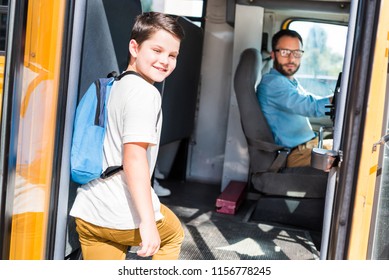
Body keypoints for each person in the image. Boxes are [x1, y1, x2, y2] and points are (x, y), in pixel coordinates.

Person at [70, 12, 185, 260]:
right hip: (121, 214)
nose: (165, 61)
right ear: (134, 47)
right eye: (157, 50)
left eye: (172, 55)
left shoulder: (115, 84)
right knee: (172, 235)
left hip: (89, 211)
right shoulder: (145, 93)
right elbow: (134, 157)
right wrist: (147, 222)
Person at [257, 29, 333, 168]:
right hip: (296, 154)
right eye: (285, 52)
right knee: (351, 156)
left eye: (296, 53)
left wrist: (332, 99)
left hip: (307, 146)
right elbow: (310, 106)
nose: (292, 59)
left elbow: (309, 98)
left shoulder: (288, 81)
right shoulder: (273, 83)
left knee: (350, 146)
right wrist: (335, 101)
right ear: (273, 54)